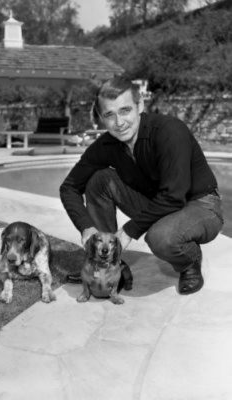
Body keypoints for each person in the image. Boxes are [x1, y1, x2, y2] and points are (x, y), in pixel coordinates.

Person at [59, 75, 223, 295]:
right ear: (101, 118)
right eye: (110, 115)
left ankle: (190, 260)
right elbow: (69, 187)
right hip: (158, 202)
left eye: (125, 110)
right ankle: (107, 264)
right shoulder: (106, 145)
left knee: (160, 237)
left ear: (140, 105)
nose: (119, 122)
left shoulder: (169, 131)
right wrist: (86, 227)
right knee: (100, 180)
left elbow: (174, 196)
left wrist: (127, 232)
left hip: (200, 204)